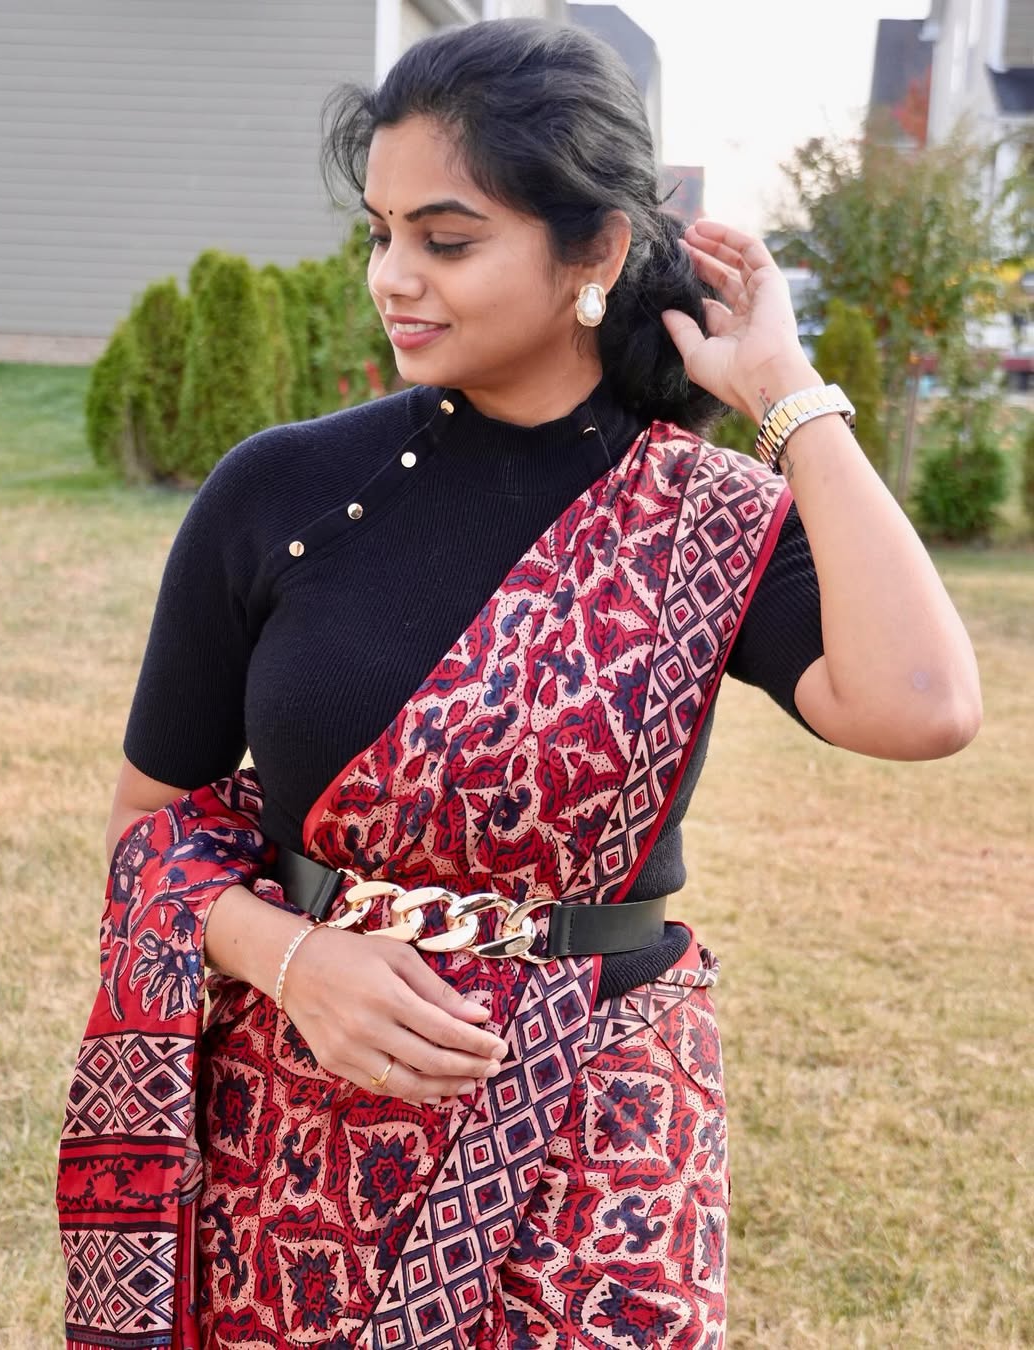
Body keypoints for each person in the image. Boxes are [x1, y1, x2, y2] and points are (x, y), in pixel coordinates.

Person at [56, 18, 981, 1350]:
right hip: (307, 1126)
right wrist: (297, 958)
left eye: (446, 238)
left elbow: (923, 701)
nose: (394, 278)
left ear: (594, 251)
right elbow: (148, 828)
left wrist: (787, 394)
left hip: (596, 1130)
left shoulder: (700, 517)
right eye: (379, 232)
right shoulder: (283, 493)